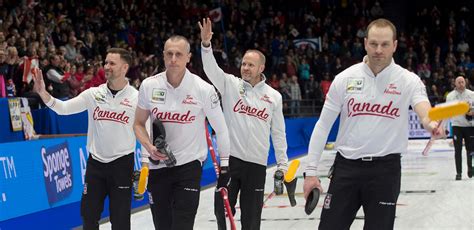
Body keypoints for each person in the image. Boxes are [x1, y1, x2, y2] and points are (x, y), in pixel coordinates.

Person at [302, 18, 444, 230]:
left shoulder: (408, 80)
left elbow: (422, 107)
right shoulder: (344, 78)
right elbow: (323, 126)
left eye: (385, 44)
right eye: (374, 44)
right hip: (346, 168)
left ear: (395, 45)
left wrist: (430, 122)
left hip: (385, 172)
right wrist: (311, 172)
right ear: (365, 43)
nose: (379, 50)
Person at [32, 48, 137, 229]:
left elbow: (146, 130)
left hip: (122, 164)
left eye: (112, 63)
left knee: (120, 221)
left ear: (124, 67)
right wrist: (43, 94)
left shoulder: (136, 97)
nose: (107, 67)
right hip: (95, 164)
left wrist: (145, 164)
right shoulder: (93, 94)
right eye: (106, 62)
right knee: (88, 216)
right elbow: (63, 109)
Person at [199, 18, 289, 230]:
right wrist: (205, 45)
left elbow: (278, 133)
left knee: (251, 220)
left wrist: (283, 164)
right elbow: (211, 69)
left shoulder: (273, 96)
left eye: (251, 65)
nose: (245, 68)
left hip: (257, 165)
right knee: (221, 211)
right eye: (244, 64)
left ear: (261, 68)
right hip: (230, 162)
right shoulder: (230, 84)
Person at [133, 35, 230, 230]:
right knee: (162, 225)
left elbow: (221, 129)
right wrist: (149, 148)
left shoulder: (204, 89)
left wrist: (225, 164)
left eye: (179, 54)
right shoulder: (149, 85)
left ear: (188, 57)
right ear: (163, 56)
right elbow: (138, 123)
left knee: (182, 225)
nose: (173, 59)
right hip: (158, 167)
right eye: (169, 54)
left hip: (189, 165)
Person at [446, 75, 474, 180]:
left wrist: (472, 112)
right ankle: (459, 173)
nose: (461, 84)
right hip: (457, 125)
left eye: (462, 82)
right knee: (457, 150)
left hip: (469, 125)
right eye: (459, 82)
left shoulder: (472, 94)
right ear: (455, 84)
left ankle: (470, 168)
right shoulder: (450, 96)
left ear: (465, 83)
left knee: (470, 149)